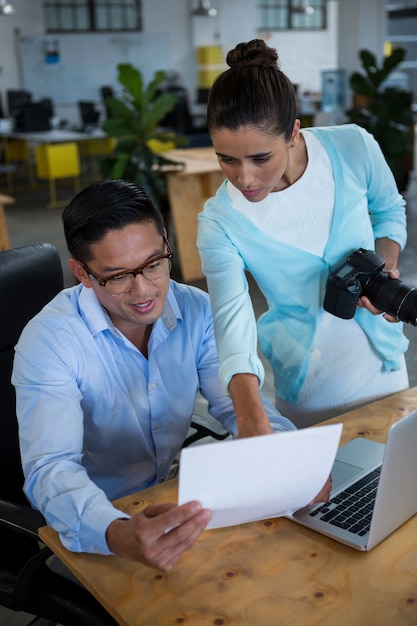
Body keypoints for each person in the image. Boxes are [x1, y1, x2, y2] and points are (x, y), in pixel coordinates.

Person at [12, 179, 297, 572]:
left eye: (153, 263)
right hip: (93, 518)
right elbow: (50, 469)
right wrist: (115, 531)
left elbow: (242, 409)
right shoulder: (50, 341)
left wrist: (293, 462)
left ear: (166, 242)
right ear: (81, 272)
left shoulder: (195, 310)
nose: (144, 289)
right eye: (118, 276)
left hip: (169, 495)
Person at [197, 39, 410, 434]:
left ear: (293, 133)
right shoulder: (220, 221)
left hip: (383, 363)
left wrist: (385, 267)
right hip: (308, 387)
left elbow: (388, 210)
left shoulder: (352, 146)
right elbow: (232, 322)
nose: (244, 178)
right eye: (226, 158)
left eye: (261, 158)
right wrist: (249, 414)